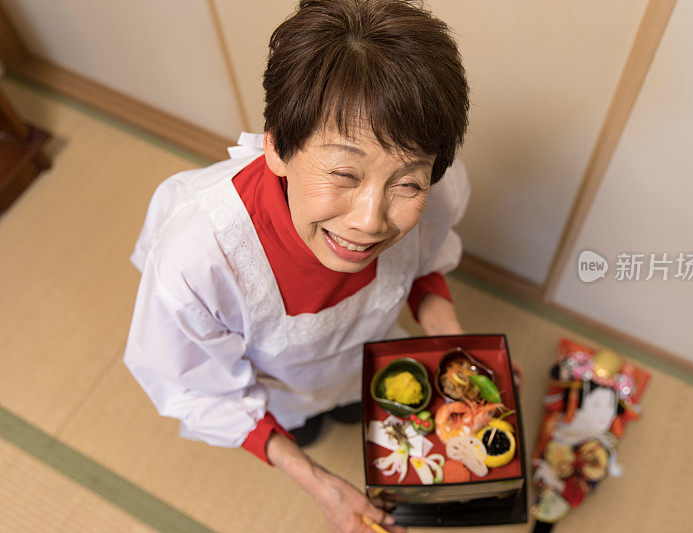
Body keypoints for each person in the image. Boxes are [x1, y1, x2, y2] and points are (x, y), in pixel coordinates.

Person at [124, 0, 474, 531]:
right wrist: (315, 480)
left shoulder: (437, 194)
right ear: (277, 148)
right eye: (343, 173)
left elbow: (423, 263)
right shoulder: (199, 258)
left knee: (356, 409)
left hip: (366, 363)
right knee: (299, 430)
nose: (370, 222)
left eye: (406, 182)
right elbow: (198, 384)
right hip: (279, 391)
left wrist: (456, 345)